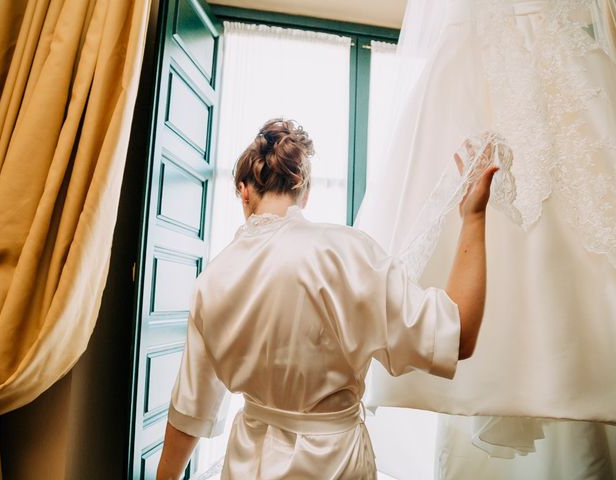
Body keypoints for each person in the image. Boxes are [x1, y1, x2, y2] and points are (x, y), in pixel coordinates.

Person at [155, 118, 498, 480]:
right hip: (334, 464)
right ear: (304, 192)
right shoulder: (348, 253)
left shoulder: (211, 280)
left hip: (247, 466)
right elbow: (457, 336)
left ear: (244, 191)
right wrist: (473, 216)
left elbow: (190, 413)